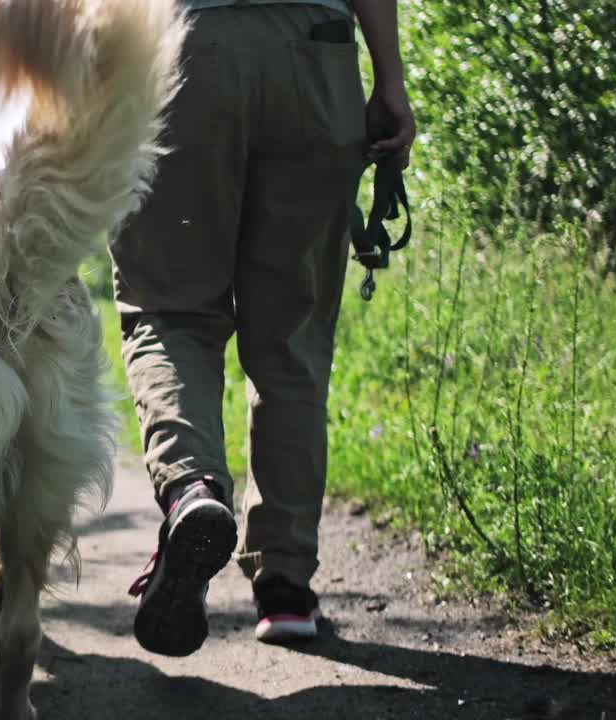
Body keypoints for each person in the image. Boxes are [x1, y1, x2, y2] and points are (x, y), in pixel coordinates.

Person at [116, 0, 417, 656]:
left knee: (168, 308)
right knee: (291, 337)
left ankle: (192, 487)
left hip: (182, 49)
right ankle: (284, 585)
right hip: (316, 52)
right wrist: (388, 79)